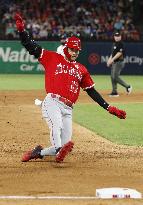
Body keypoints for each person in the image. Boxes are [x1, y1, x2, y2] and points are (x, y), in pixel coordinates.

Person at [14, 13, 126, 163]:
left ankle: (38, 152)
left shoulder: (81, 69)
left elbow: (91, 91)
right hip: (52, 102)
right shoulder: (52, 57)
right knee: (57, 130)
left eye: (77, 50)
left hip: (68, 109)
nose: (75, 53)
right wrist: (22, 31)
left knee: (63, 146)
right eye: (72, 49)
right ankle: (57, 151)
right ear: (66, 48)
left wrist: (108, 107)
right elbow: (30, 46)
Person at [107, 31, 132, 97]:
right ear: (114, 37)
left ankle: (128, 86)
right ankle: (114, 92)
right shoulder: (114, 44)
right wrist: (109, 60)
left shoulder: (121, 44)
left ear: (120, 37)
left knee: (115, 77)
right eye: (116, 36)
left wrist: (112, 60)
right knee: (112, 77)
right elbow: (112, 54)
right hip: (115, 62)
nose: (117, 37)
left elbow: (119, 53)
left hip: (119, 62)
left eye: (118, 36)